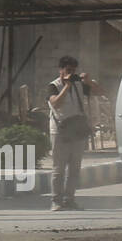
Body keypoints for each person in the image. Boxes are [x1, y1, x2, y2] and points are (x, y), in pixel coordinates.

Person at [46, 55, 104, 211]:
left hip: (77, 129)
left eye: (73, 70)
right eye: (68, 70)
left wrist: (88, 82)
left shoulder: (79, 85)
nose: (71, 73)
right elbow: (56, 103)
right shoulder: (54, 85)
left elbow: (100, 92)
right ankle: (56, 201)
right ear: (61, 70)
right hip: (60, 131)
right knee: (59, 168)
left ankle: (69, 199)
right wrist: (67, 85)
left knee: (74, 168)